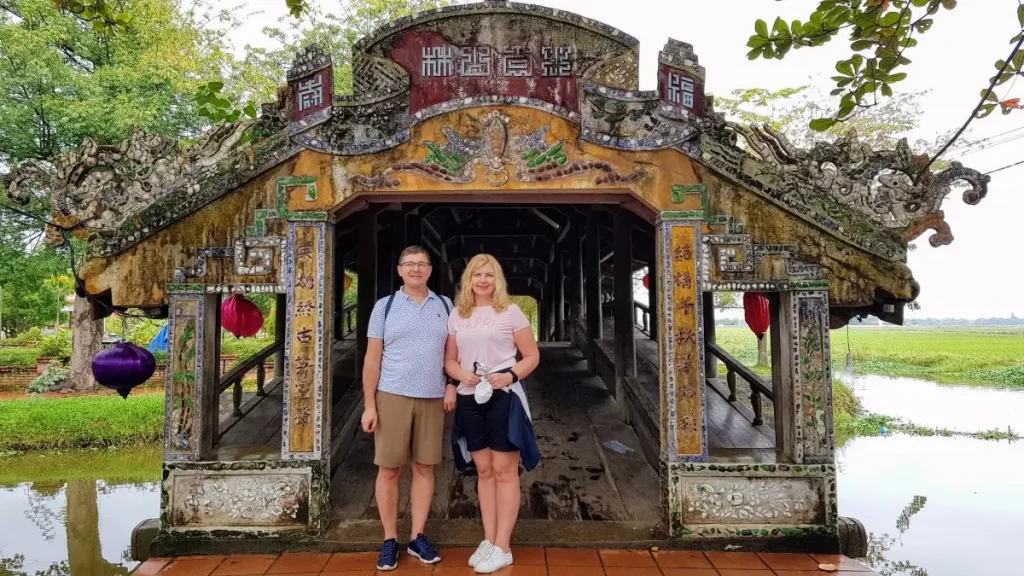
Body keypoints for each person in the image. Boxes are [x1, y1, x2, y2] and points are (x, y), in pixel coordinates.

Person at [444, 254, 541, 574]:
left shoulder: (510, 312)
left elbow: (531, 356)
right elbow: (450, 360)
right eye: (477, 275)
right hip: (470, 397)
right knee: (483, 470)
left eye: (489, 275)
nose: (483, 280)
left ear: (497, 280)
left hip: (503, 397)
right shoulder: (458, 315)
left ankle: (504, 545)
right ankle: (489, 539)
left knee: (504, 469)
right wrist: (461, 375)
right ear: (468, 280)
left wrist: (510, 376)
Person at [361, 246, 452, 571]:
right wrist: (369, 405)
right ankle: (389, 539)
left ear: (430, 270)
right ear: (399, 270)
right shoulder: (384, 308)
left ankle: (417, 536)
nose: (416, 269)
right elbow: (372, 360)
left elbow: (452, 353)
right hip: (392, 395)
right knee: (389, 470)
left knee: (425, 468)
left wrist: (452, 384)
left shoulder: (445, 305)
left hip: (431, 397)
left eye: (422, 264)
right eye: (409, 264)